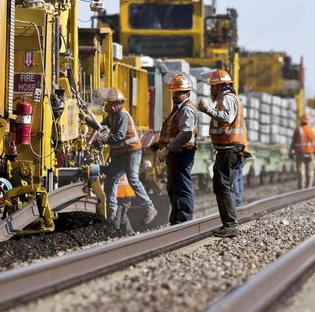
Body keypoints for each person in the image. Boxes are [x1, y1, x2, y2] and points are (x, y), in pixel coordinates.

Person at [98, 88, 157, 231]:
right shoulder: (112, 115)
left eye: (109, 103)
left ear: (117, 103)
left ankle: (150, 208)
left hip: (131, 152)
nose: (106, 106)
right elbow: (101, 126)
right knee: (110, 180)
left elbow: (118, 136)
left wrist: (103, 140)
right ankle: (111, 215)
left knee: (133, 180)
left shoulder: (122, 116)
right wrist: (86, 119)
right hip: (121, 154)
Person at [197, 69, 246, 238]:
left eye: (213, 86)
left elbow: (226, 118)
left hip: (229, 149)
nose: (211, 90)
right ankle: (229, 224)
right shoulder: (227, 98)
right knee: (222, 185)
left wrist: (206, 110)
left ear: (220, 86)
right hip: (229, 149)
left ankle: (231, 225)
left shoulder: (227, 98)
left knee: (223, 185)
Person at [157, 74, 198, 225]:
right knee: (174, 187)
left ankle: (184, 220)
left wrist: (167, 149)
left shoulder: (186, 110)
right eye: (174, 92)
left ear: (187, 93)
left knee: (182, 186)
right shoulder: (178, 109)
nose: (175, 95)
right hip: (175, 153)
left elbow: (185, 133)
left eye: (179, 92)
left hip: (182, 153)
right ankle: (176, 219)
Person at [290, 113, 315, 189]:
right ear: (308, 121)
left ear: (301, 121)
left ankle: (301, 188)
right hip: (310, 153)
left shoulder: (298, 130)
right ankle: (309, 188)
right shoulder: (313, 130)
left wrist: (291, 151)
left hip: (300, 153)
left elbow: (293, 142)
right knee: (310, 172)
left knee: (301, 171)